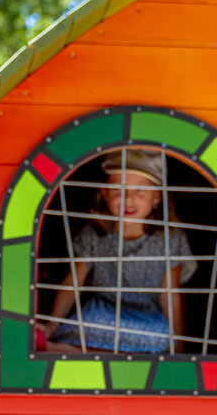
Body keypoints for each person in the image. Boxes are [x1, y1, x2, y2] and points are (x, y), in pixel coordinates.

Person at [39, 148, 196, 353]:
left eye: (140, 190)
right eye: (118, 190)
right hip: (103, 311)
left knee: (157, 337)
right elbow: (73, 282)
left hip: (145, 316)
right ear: (104, 194)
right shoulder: (95, 233)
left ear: (157, 197)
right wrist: (52, 325)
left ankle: (65, 350)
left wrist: (179, 343)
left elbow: (170, 294)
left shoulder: (169, 239)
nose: (128, 199)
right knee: (90, 326)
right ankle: (57, 346)